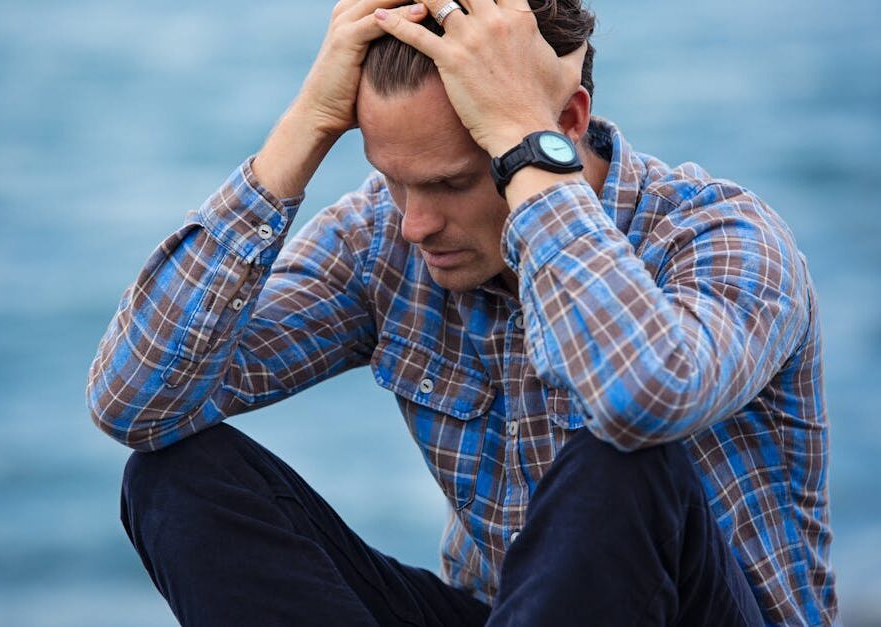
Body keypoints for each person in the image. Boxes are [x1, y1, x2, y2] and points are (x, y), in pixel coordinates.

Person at [86, 0, 838, 624]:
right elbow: (135, 402)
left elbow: (638, 395)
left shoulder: (723, 238)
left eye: (449, 183)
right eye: (393, 180)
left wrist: (523, 148)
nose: (415, 222)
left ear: (563, 125)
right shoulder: (385, 238)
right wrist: (305, 127)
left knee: (621, 457)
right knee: (173, 477)